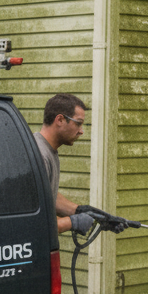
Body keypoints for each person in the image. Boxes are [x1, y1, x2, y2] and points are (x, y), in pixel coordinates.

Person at [34, 93, 95, 236]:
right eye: (78, 123)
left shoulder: (48, 150)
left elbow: (47, 196)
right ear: (60, 120)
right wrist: (73, 222)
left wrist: (79, 210)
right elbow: (35, 221)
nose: (81, 131)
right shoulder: (39, 155)